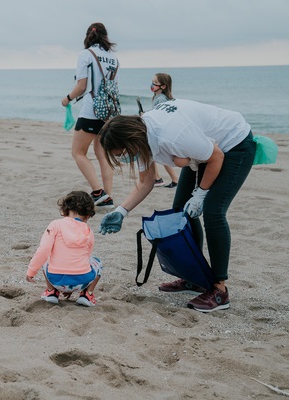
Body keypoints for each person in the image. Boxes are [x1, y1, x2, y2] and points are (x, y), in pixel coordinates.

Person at [98, 99, 256, 313]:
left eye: (122, 154)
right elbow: (146, 182)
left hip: (233, 144)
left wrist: (200, 194)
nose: (125, 159)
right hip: (201, 151)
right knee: (181, 213)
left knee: (213, 212)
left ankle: (219, 290)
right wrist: (121, 211)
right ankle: (196, 277)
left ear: (131, 140)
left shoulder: (171, 135)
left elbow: (216, 156)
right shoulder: (143, 139)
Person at [61, 22, 119, 210]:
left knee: (78, 152)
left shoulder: (86, 55)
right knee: (102, 153)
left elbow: (82, 86)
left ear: (88, 36)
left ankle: (98, 192)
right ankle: (108, 197)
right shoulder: (113, 58)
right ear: (105, 36)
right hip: (110, 112)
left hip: (92, 110)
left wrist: (67, 98)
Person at [26, 191, 103, 307]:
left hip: (55, 279)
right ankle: (87, 294)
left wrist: (31, 271)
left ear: (64, 210)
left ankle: (52, 292)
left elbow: (44, 249)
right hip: (81, 281)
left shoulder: (55, 224)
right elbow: (86, 256)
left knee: (46, 259)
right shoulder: (88, 230)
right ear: (88, 215)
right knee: (97, 262)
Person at [149, 73, 179, 188]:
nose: (152, 85)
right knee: (154, 154)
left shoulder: (160, 99)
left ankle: (172, 179)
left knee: (159, 155)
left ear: (163, 86)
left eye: (155, 83)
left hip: (160, 132)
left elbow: (160, 116)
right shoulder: (159, 98)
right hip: (161, 131)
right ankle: (158, 178)